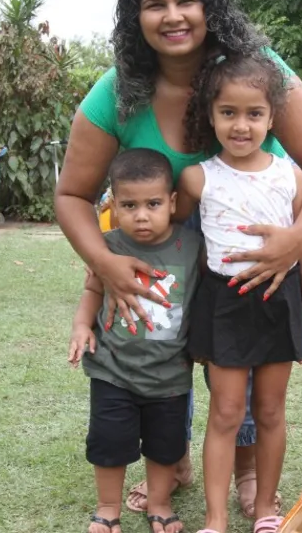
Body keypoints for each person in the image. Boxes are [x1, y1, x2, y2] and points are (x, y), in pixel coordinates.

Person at [53, 0, 302, 520]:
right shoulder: (118, 91)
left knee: (242, 386)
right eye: (155, 4)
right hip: (172, 267)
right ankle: (176, 461)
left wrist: (298, 236)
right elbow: (71, 194)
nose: (174, 16)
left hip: (258, 264)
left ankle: (249, 470)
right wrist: (106, 264)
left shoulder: (259, 71)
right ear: (135, 17)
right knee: (170, 360)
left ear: (209, 4)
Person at [175, 51, 302, 533]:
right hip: (225, 306)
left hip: (279, 303)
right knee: (226, 411)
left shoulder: (291, 176)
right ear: (211, 116)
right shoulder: (198, 178)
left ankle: (265, 511)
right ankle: (215, 520)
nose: (242, 125)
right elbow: (182, 242)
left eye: (254, 113)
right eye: (229, 113)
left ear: (272, 117)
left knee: (272, 409)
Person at [69, 149, 199, 533]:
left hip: (170, 375)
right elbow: (93, 289)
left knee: (165, 445)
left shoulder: (192, 248)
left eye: (153, 204)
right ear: (113, 204)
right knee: (108, 442)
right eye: (129, 205)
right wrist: (81, 326)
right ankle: (108, 508)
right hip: (113, 370)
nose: (141, 215)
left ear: (172, 202)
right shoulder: (106, 246)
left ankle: (159, 502)